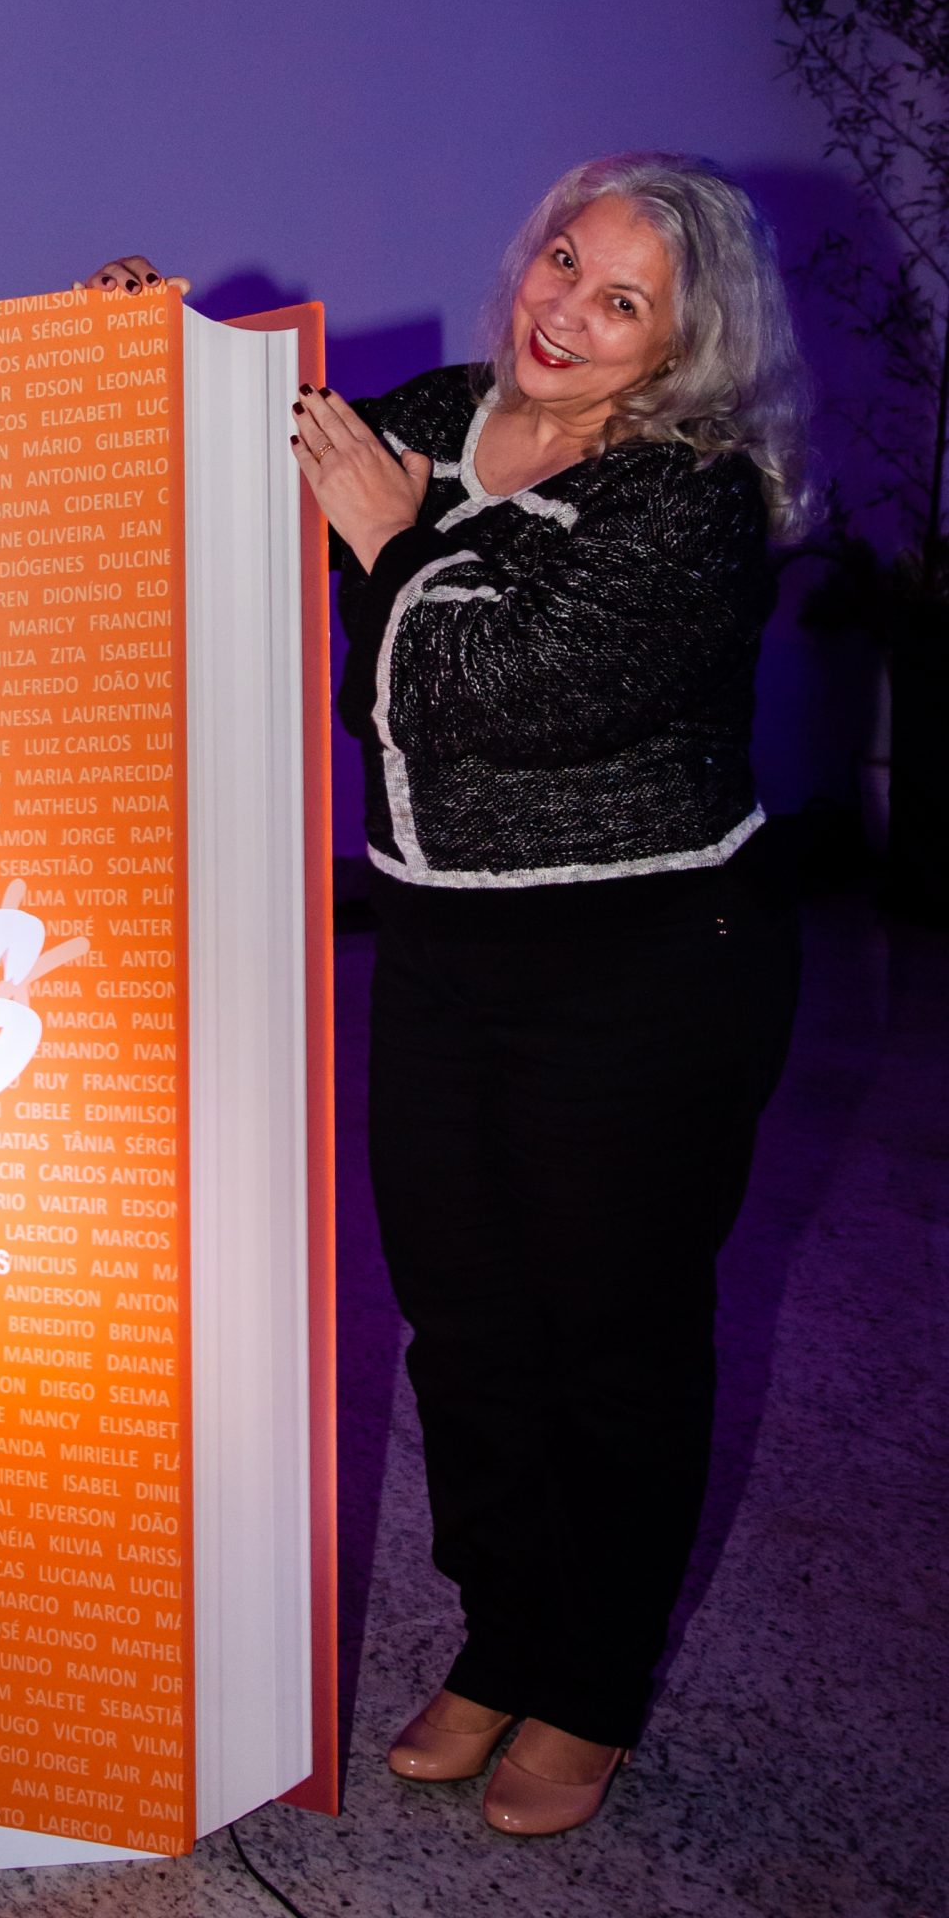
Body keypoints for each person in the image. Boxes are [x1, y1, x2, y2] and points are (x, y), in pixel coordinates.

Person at [84, 154, 810, 1837]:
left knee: (612, 1345)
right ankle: (502, 1642)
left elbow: (493, 685)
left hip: (651, 970)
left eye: (623, 300)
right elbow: (233, 474)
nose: (567, 310)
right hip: (445, 957)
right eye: (564, 260)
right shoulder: (450, 412)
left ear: (688, 341)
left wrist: (392, 537)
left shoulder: (693, 497)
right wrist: (139, 356)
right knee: (468, 1329)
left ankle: (591, 1687)